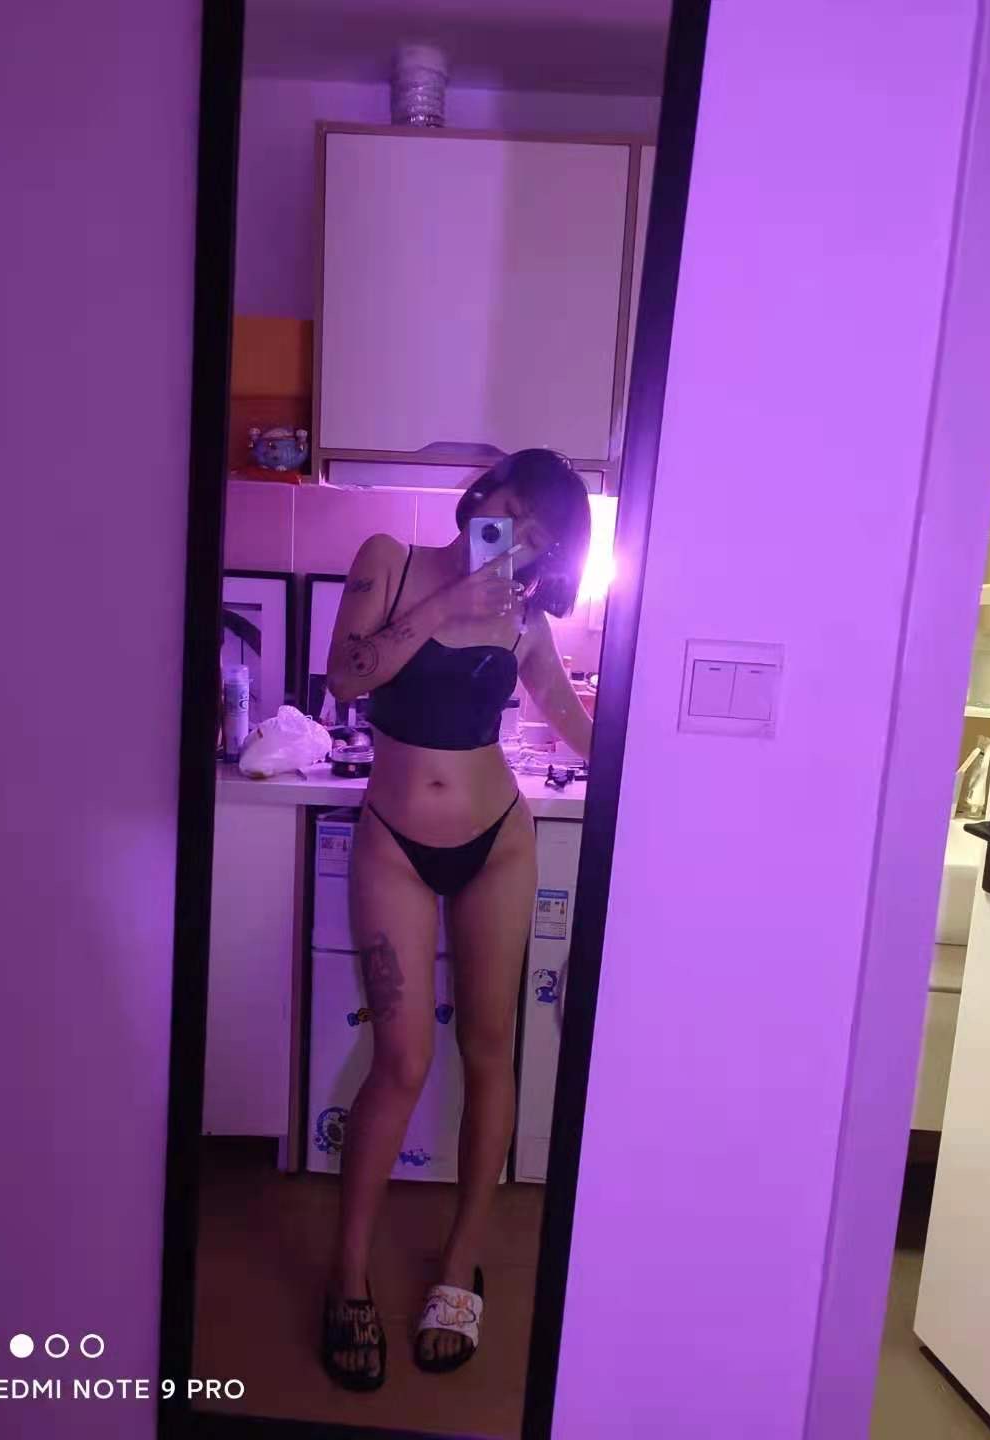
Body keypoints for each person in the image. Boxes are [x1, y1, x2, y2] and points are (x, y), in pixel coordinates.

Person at [319, 449, 595, 1390]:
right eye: (511, 513)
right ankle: (347, 1275)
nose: (515, 542)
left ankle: (458, 1266)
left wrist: (654, 762)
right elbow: (345, 678)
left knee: (489, 1050)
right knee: (400, 1061)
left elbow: (565, 714)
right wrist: (446, 607)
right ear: (483, 497)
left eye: (537, 539)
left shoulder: (524, 617)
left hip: (497, 844)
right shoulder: (388, 560)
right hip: (393, 842)